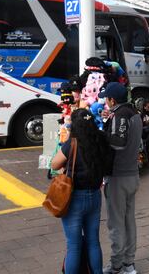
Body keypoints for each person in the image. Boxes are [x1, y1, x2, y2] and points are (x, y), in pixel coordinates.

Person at [51, 108, 112, 274]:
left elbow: (55, 164)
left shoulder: (72, 143)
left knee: (74, 245)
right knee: (93, 241)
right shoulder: (100, 139)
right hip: (95, 196)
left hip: (74, 199)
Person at [99, 82, 142, 274]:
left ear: (112, 100)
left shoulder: (119, 115)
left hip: (118, 177)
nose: (106, 102)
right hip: (133, 174)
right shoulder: (134, 113)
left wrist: (100, 134)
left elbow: (118, 142)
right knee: (129, 220)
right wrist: (110, 121)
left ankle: (116, 265)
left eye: (106, 99)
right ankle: (129, 264)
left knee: (116, 223)